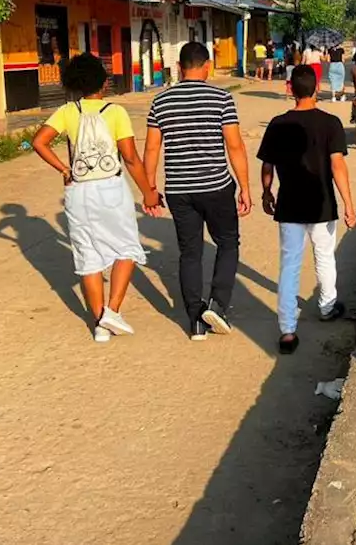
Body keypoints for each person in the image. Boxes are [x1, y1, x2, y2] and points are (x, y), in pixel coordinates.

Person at [30, 53, 161, 343]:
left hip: (78, 191)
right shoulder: (115, 112)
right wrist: (149, 193)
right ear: (103, 83)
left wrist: (64, 168)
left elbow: (39, 142)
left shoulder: (67, 111)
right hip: (110, 188)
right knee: (125, 247)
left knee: (88, 256)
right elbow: (130, 158)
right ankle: (111, 312)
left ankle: (100, 325)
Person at [143, 42, 252, 341]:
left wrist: (149, 188)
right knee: (228, 243)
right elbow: (234, 146)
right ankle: (217, 304)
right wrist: (245, 188)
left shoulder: (161, 101)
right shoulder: (221, 98)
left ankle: (195, 321)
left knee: (190, 252)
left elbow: (152, 147)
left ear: (179, 67)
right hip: (216, 186)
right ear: (207, 66)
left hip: (179, 190)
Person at [258, 65, 356, 354]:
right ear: (316, 88)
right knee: (324, 256)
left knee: (289, 265)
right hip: (322, 203)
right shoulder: (330, 123)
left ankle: (287, 331)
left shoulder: (277, 124)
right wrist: (350, 205)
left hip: (289, 204)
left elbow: (267, 165)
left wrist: (267, 192)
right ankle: (327, 307)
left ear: (290, 89)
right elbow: (338, 166)